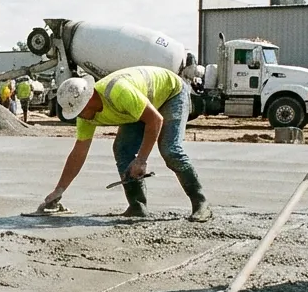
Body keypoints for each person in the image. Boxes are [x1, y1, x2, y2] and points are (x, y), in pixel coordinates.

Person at [38, 65, 211, 222]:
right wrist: (59, 189)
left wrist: (141, 160)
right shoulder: (85, 117)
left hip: (170, 94)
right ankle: (138, 207)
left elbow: (155, 120)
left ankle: (201, 203)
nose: (80, 116)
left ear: (90, 98)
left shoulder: (118, 92)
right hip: (139, 106)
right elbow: (79, 153)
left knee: (170, 149)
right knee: (122, 149)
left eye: (80, 111)